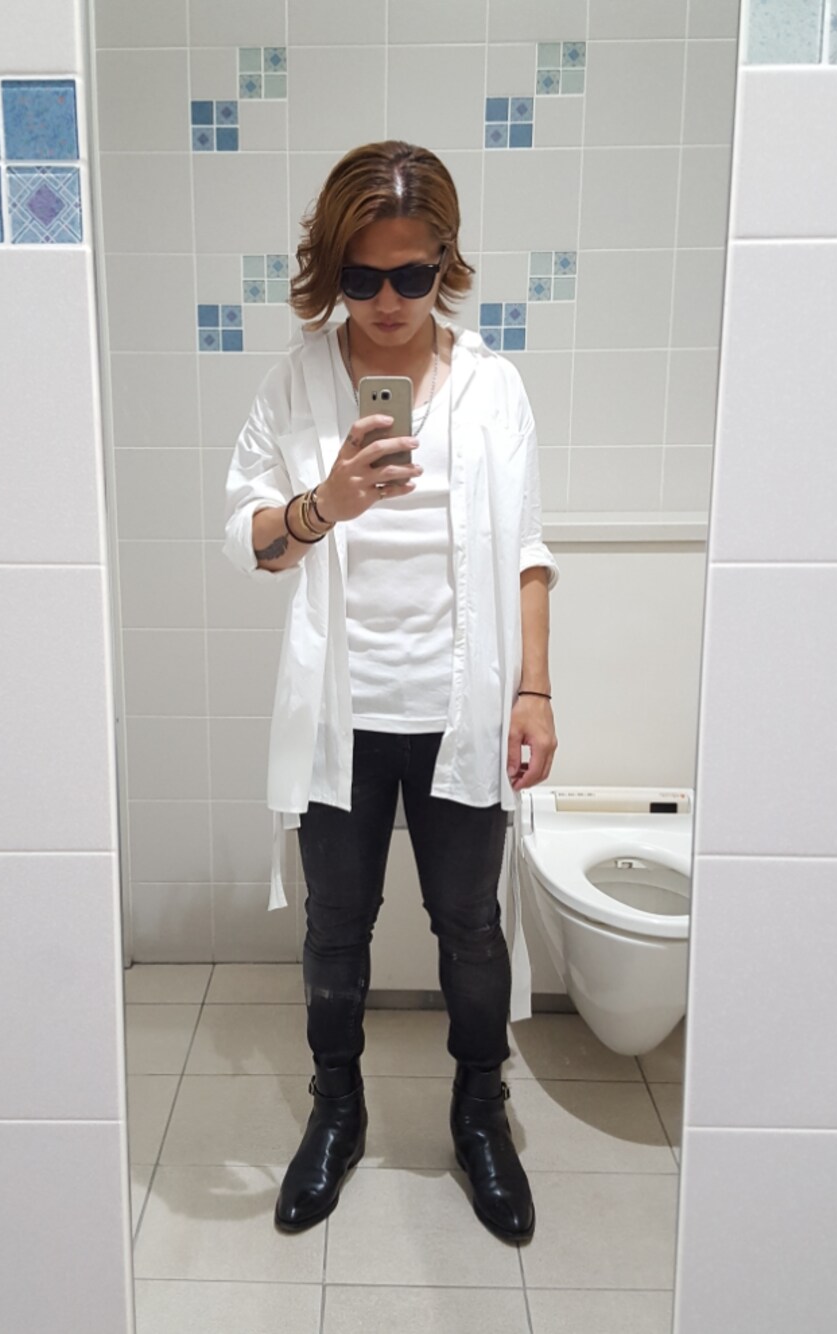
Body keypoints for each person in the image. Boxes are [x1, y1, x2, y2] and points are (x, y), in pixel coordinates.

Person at [224, 140, 559, 1244]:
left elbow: (528, 549)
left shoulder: (493, 387)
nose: (385, 300)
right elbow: (253, 540)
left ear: (445, 263)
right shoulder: (296, 381)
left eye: (411, 274)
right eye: (362, 275)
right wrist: (324, 502)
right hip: (344, 712)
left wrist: (535, 690)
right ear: (333, 266)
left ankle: (479, 1111)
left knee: (469, 924)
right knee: (336, 927)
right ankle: (338, 1108)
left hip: (463, 709)